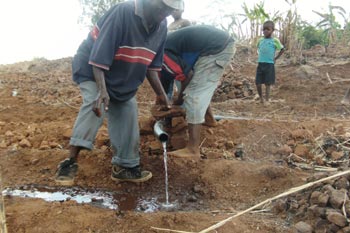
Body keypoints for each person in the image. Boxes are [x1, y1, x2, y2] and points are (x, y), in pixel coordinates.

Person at [55, 0, 184, 185]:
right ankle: (70, 162)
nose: (165, 12)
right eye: (162, 6)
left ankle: (125, 167)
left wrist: (162, 96)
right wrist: (102, 90)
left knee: (128, 113)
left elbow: (152, 68)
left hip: (123, 77)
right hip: (94, 70)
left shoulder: (161, 27)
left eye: (170, 10)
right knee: (95, 105)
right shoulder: (123, 12)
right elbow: (98, 56)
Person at [158, 25, 235, 158]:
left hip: (216, 49)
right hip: (215, 45)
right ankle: (209, 119)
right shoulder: (162, 51)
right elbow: (165, 87)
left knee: (194, 93)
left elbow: (187, 76)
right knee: (199, 86)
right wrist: (161, 104)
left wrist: (178, 101)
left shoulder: (160, 52)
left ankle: (193, 149)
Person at [255, 20, 285, 105]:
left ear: (272, 30)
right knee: (258, 83)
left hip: (269, 64)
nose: (265, 31)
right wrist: (259, 55)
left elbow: (282, 49)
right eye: (264, 29)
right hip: (260, 64)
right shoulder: (260, 40)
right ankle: (261, 98)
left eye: (267, 29)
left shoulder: (275, 41)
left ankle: (267, 100)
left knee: (268, 83)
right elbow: (257, 48)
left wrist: (276, 58)